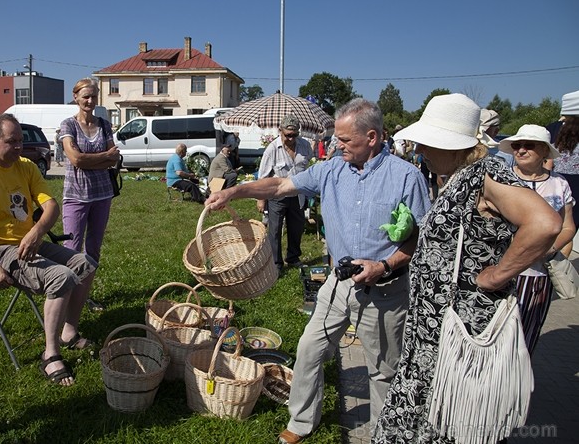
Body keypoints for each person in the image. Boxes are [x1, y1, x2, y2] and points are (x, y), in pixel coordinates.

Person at [206, 99, 431, 444]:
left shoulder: (406, 177)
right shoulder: (331, 170)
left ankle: (386, 434)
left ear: (372, 138)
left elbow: (424, 241)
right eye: (337, 139)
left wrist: (384, 265)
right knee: (310, 350)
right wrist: (235, 191)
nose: (337, 146)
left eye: (345, 140)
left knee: (383, 371)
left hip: (384, 290)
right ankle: (301, 422)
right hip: (337, 287)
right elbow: (280, 186)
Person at [373, 94, 562, 443]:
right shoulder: (457, 176)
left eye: (429, 142)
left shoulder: (486, 175)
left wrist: (498, 274)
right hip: (432, 332)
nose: (420, 149)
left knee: (446, 424)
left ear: (455, 145)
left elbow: (545, 223)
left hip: (458, 330)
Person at [0, 114, 98, 386]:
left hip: (28, 241)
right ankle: (50, 355)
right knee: (61, 277)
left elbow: (51, 206)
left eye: (21, 141)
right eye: (11, 141)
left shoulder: (25, 166)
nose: (18, 147)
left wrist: (36, 231)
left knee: (85, 264)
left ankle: (69, 332)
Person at [498, 125, 575, 354]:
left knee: (525, 341)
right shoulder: (500, 181)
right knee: (497, 339)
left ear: (543, 151)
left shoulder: (559, 184)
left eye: (528, 145)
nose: (521, 150)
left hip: (537, 277)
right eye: (516, 145)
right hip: (501, 272)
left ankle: (516, 388)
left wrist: (549, 250)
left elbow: (568, 226)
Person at [60, 77, 120, 313]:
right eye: (85, 96)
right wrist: (101, 159)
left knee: (93, 250)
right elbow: (75, 159)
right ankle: (65, 299)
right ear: (76, 97)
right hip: (76, 196)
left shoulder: (104, 124)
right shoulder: (68, 125)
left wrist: (89, 161)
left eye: (93, 96)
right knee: (71, 250)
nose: (90, 100)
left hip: (102, 195)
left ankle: (83, 297)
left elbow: (113, 157)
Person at [257, 115, 314, 271]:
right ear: (280, 131)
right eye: (288, 135)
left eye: (294, 135)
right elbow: (263, 177)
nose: (291, 138)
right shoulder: (272, 149)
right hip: (277, 195)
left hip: (298, 195)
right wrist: (261, 199)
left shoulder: (305, 146)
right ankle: (275, 263)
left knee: (296, 228)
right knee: (274, 230)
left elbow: (309, 166)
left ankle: (293, 257)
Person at [551, 89, 579, 231]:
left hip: (556, 182)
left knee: (561, 224)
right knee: (571, 225)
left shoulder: (553, 130)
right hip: (573, 182)